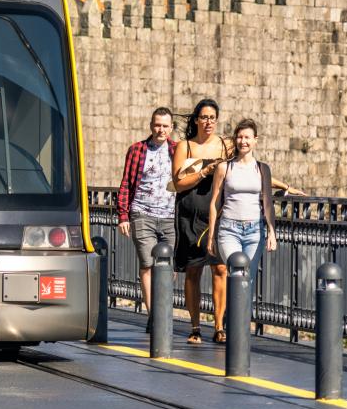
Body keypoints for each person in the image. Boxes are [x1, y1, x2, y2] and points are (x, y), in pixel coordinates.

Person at [206, 119, 303, 286]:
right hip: (229, 230)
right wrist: (211, 236)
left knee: (247, 282)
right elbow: (214, 203)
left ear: (255, 140)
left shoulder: (262, 169)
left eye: (247, 137)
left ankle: (241, 313)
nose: (243, 141)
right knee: (236, 275)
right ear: (235, 139)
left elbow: (267, 204)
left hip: (254, 231)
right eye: (240, 137)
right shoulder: (224, 168)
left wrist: (272, 232)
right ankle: (234, 312)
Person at [172, 98, 233, 344]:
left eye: (212, 118)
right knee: (193, 270)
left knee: (220, 267)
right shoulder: (184, 146)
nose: (208, 122)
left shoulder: (226, 145)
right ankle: (195, 326)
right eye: (204, 117)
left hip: (217, 213)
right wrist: (204, 172)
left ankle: (219, 326)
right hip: (190, 214)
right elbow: (177, 183)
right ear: (196, 119)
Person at [116, 107, 178, 317]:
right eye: (157, 125)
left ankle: (163, 310)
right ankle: (153, 315)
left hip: (170, 216)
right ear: (151, 125)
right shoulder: (137, 150)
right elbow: (126, 183)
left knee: (168, 267)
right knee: (148, 263)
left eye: (165, 126)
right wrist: (123, 215)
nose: (161, 130)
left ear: (171, 128)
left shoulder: (178, 150)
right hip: (142, 213)